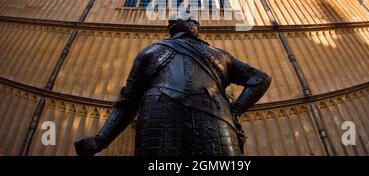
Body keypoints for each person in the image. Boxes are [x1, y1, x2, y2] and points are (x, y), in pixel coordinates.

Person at [75, 12, 272, 156]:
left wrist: (101, 139)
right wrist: (234, 110)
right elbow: (260, 79)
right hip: (213, 119)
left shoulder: (150, 52)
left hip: (160, 120)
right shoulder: (220, 55)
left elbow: (128, 103)